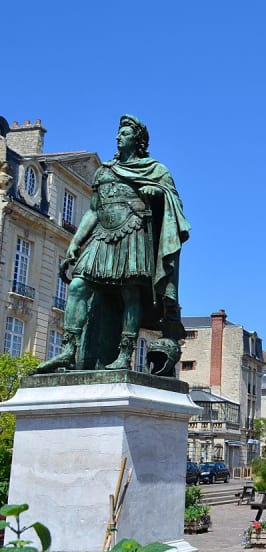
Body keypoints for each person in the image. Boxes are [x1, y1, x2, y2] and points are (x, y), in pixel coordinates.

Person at [36, 115, 190, 375]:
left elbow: (174, 206)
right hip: (102, 235)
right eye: (118, 133)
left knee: (131, 293)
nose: (118, 137)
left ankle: (124, 354)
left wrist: (158, 195)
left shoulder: (155, 170)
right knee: (78, 284)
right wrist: (76, 241)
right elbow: (94, 210)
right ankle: (68, 350)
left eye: (125, 133)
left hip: (134, 232)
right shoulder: (104, 171)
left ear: (138, 140)